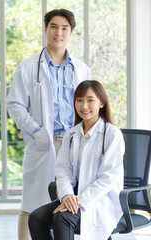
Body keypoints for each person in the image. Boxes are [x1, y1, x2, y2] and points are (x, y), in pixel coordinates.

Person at [6, 9, 91, 240]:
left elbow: (88, 106)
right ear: (46, 29)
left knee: (69, 202)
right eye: (54, 26)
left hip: (74, 143)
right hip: (43, 142)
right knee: (32, 204)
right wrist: (37, 132)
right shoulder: (28, 67)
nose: (58, 32)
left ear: (71, 32)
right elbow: (14, 104)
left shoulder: (81, 69)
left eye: (64, 28)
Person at [28, 80, 125, 240]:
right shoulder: (71, 135)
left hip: (99, 200)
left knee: (62, 218)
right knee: (36, 218)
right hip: (74, 195)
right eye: (79, 100)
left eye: (90, 100)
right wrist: (67, 196)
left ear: (101, 103)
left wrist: (80, 200)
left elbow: (108, 178)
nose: (84, 106)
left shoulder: (112, 134)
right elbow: (63, 170)